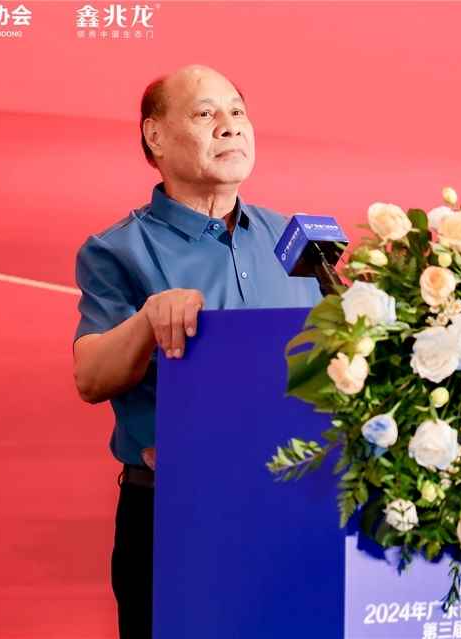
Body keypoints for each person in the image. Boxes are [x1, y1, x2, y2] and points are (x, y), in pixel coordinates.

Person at [71, 64, 322, 638]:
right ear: (155, 136)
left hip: (295, 509)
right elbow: (90, 378)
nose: (229, 126)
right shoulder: (117, 250)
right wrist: (146, 321)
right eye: (206, 114)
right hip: (178, 514)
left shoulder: (296, 240)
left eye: (238, 112)